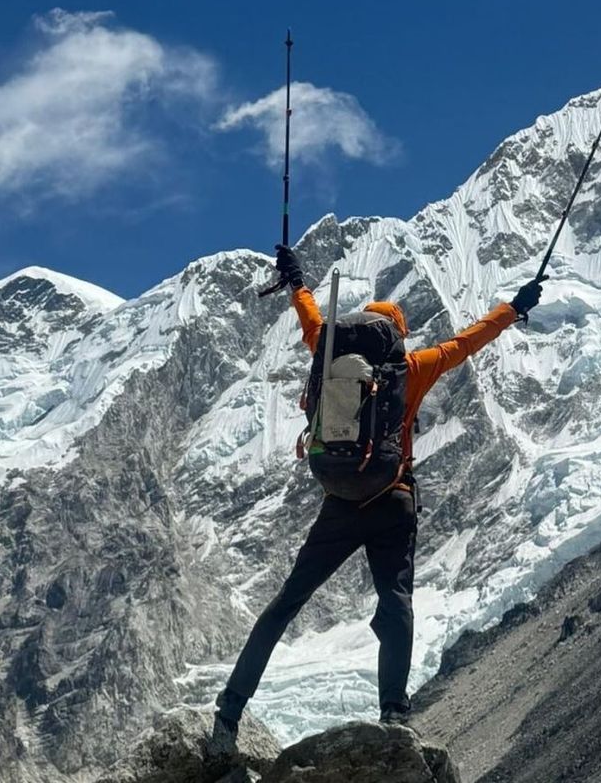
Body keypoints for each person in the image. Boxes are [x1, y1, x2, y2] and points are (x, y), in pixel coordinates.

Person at [213, 245, 543, 740]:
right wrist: (514, 308)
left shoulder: (326, 352)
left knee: (287, 602)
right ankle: (393, 713)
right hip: (391, 498)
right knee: (395, 602)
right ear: (396, 336)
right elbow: (468, 341)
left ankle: (230, 710)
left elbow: (308, 314)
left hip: (339, 501)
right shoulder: (411, 369)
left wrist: (296, 279)